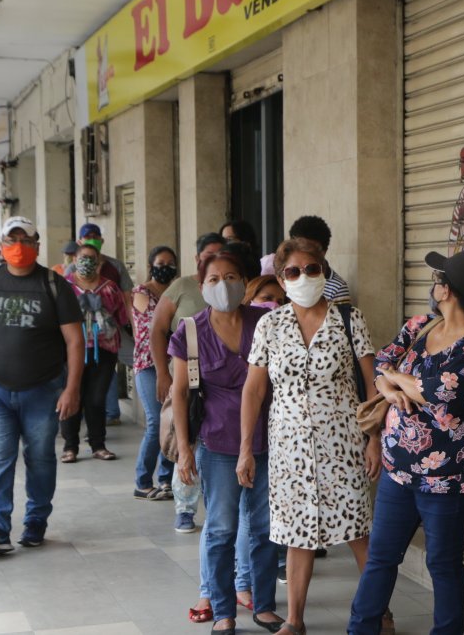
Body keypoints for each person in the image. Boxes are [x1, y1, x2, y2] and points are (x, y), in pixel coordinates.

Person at [236, 237, 381, 635]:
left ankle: (378, 612)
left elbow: (373, 385)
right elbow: (253, 390)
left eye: (311, 268)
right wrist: (246, 449)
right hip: (289, 449)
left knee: (358, 532)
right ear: (282, 281)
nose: (304, 277)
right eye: (294, 271)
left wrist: (374, 439)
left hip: (344, 446)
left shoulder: (350, 320)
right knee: (296, 535)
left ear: (324, 270)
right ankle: (295, 620)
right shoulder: (270, 325)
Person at [349, 250, 464, 635]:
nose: (434, 285)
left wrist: (399, 380)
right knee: (381, 557)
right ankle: (360, 629)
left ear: (447, 290)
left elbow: (438, 394)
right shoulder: (421, 325)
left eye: (438, 278)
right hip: (398, 471)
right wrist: (388, 381)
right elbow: (384, 361)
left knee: (444, 565)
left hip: (448, 481)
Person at [0, 216, 84, 553]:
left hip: (42, 388)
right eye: (12, 239)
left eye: (25, 239)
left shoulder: (54, 285)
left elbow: (75, 341)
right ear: (1, 245)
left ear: (37, 244)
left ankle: (36, 518)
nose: (19, 246)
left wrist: (72, 388)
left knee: (39, 457)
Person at [170, 248, 283, 635]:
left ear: (245, 283)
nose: (224, 285)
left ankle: (264, 606)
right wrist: (185, 449)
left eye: (232, 277)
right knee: (220, 528)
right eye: (214, 279)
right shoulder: (190, 332)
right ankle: (223, 611)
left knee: (267, 526)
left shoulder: (266, 321)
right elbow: (181, 394)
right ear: (202, 287)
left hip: (270, 440)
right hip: (218, 443)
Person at [150, 232, 226, 533]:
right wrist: (162, 373)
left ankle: (213, 503)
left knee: (212, 447)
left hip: (220, 383)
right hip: (187, 379)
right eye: (208, 255)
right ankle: (184, 507)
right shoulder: (182, 286)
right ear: (197, 259)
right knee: (186, 442)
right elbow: (157, 330)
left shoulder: (231, 288)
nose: (214, 261)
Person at [60, 241, 129, 463]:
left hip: (104, 351)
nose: (87, 262)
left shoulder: (110, 288)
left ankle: (98, 445)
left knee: (97, 398)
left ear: (99, 264)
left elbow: (121, 317)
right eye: (83, 258)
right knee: (73, 396)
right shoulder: (65, 286)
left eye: (92, 259)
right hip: (71, 351)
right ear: (74, 261)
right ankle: (70, 446)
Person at [131, 245, 179, 500]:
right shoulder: (141, 292)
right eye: (160, 263)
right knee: (155, 422)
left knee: (172, 421)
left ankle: (165, 479)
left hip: (175, 364)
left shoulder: (175, 292)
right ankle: (142, 480)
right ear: (151, 266)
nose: (166, 268)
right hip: (149, 365)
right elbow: (154, 324)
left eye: (171, 263)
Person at [261, 216, 351, 304]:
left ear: (324, 251)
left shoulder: (337, 288)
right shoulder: (281, 277)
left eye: (311, 249)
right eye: (293, 272)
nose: (303, 277)